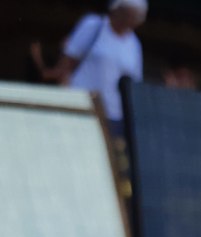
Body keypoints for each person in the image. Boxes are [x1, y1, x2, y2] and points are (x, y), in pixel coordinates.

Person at [31, 0, 147, 137]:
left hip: (114, 116)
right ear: (117, 10)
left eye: (138, 16)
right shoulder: (94, 25)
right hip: (81, 106)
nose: (134, 19)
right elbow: (66, 64)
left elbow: (134, 82)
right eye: (130, 14)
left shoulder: (134, 44)